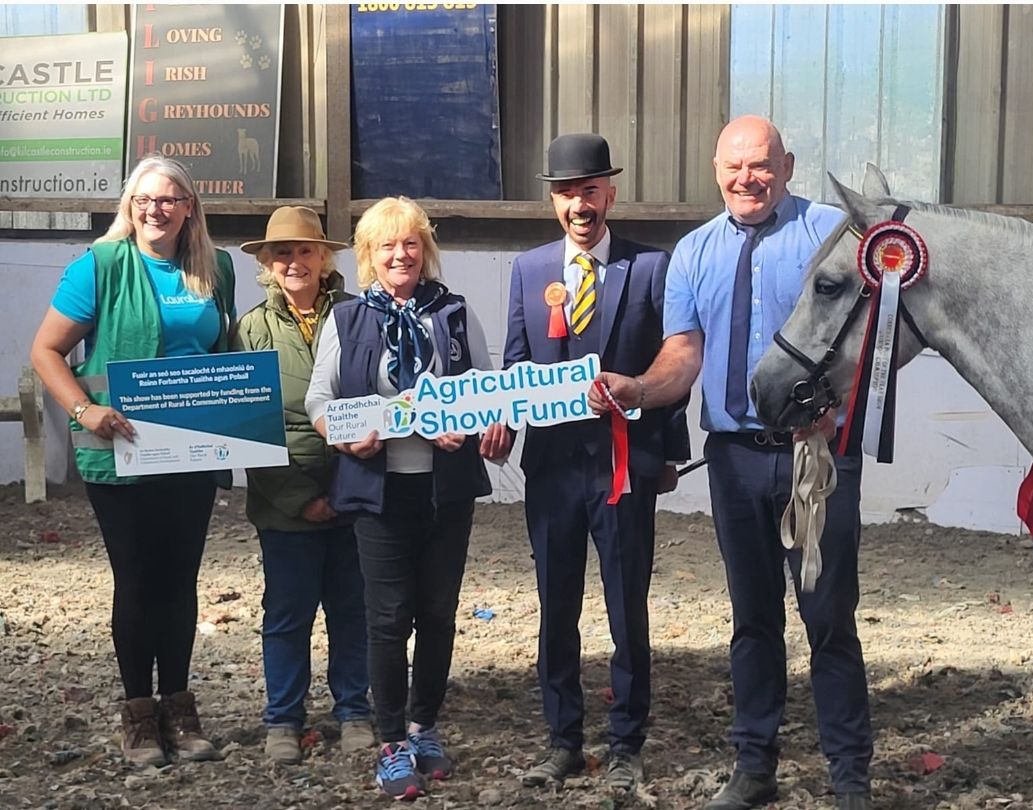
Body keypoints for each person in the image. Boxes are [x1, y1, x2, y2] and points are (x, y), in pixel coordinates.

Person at [590, 115, 873, 810]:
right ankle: (754, 765)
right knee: (751, 618)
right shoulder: (692, 252)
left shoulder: (834, 237)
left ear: (788, 164)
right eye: (734, 167)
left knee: (827, 617)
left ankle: (848, 775)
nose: (748, 178)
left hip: (815, 459)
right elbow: (681, 355)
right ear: (715, 169)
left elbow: (873, 337)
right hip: (734, 459)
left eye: (762, 165)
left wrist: (844, 399)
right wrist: (635, 389)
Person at [30, 155, 235, 766]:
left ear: (188, 207)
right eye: (144, 199)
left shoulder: (215, 267)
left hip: (192, 450)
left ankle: (179, 703)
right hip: (121, 450)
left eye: (169, 199)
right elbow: (46, 350)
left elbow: (221, 352)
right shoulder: (99, 266)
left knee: (181, 577)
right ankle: (138, 713)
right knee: (138, 578)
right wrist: (82, 410)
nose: (155, 209)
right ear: (129, 206)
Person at [501, 133, 689, 792]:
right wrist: (499, 415)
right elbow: (515, 364)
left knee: (624, 606)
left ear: (609, 192)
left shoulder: (648, 268)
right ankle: (561, 738)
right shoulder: (527, 271)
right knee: (556, 607)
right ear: (551, 199)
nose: (578, 204)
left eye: (588, 191)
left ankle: (625, 742)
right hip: (551, 471)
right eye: (565, 193)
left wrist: (668, 453)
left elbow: (672, 367)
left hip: (623, 465)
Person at [305, 196, 500, 801]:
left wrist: (475, 423)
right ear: (368, 255)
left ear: (426, 250)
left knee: (439, 614)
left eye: (411, 243)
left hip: (444, 491)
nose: (401, 254)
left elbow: (485, 391)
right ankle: (389, 740)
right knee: (388, 620)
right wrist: (342, 434)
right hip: (379, 491)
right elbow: (319, 400)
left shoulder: (457, 313)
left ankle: (424, 726)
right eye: (387, 245)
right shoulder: (346, 319)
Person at [231, 207, 373, 764]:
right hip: (283, 501)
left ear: (324, 257)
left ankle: (355, 710)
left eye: (305, 250)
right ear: (268, 262)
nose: (294, 262)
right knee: (287, 614)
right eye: (282, 253)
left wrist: (343, 492)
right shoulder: (251, 329)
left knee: (352, 607)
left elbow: (371, 402)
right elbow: (249, 422)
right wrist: (297, 498)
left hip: (354, 492)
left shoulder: (359, 316)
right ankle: (283, 720)